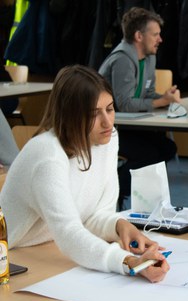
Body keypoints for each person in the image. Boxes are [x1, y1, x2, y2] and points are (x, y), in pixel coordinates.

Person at [0, 65, 170, 282]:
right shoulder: (48, 154)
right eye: (93, 114)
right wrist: (127, 262)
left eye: (109, 109)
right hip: (13, 258)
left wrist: (119, 226)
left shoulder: (108, 139)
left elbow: (91, 216)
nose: (107, 122)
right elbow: (69, 232)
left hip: (49, 250)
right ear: (71, 116)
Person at [99, 7, 181, 208]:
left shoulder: (149, 57)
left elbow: (147, 94)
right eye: (155, 34)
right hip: (110, 129)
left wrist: (165, 97)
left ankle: (139, 194)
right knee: (148, 155)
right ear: (138, 36)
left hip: (131, 126)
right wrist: (161, 102)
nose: (160, 39)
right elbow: (125, 104)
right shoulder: (121, 60)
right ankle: (110, 189)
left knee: (167, 148)